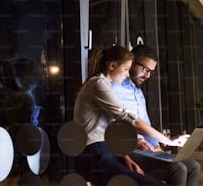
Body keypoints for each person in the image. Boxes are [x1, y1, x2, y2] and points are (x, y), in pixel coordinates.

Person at [73, 45, 188, 186]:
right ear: (112, 66)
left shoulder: (104, 84)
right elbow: (131, 121)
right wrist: (169, 140)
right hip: (94, 153)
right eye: (126, 69)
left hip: (106, 151)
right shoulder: (98, 84)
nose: (128, 75)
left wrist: (124, 158)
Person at [111, 44, 201, 186]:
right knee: (178, 169)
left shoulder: (139, 93)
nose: (147, 75)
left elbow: (146, 126)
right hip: (130, 148)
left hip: (149, 150)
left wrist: (157, 147)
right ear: (132, 63)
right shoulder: (115, 87)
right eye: (145, 69)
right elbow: (113, 126)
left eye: (151, 72)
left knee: (193, 166)